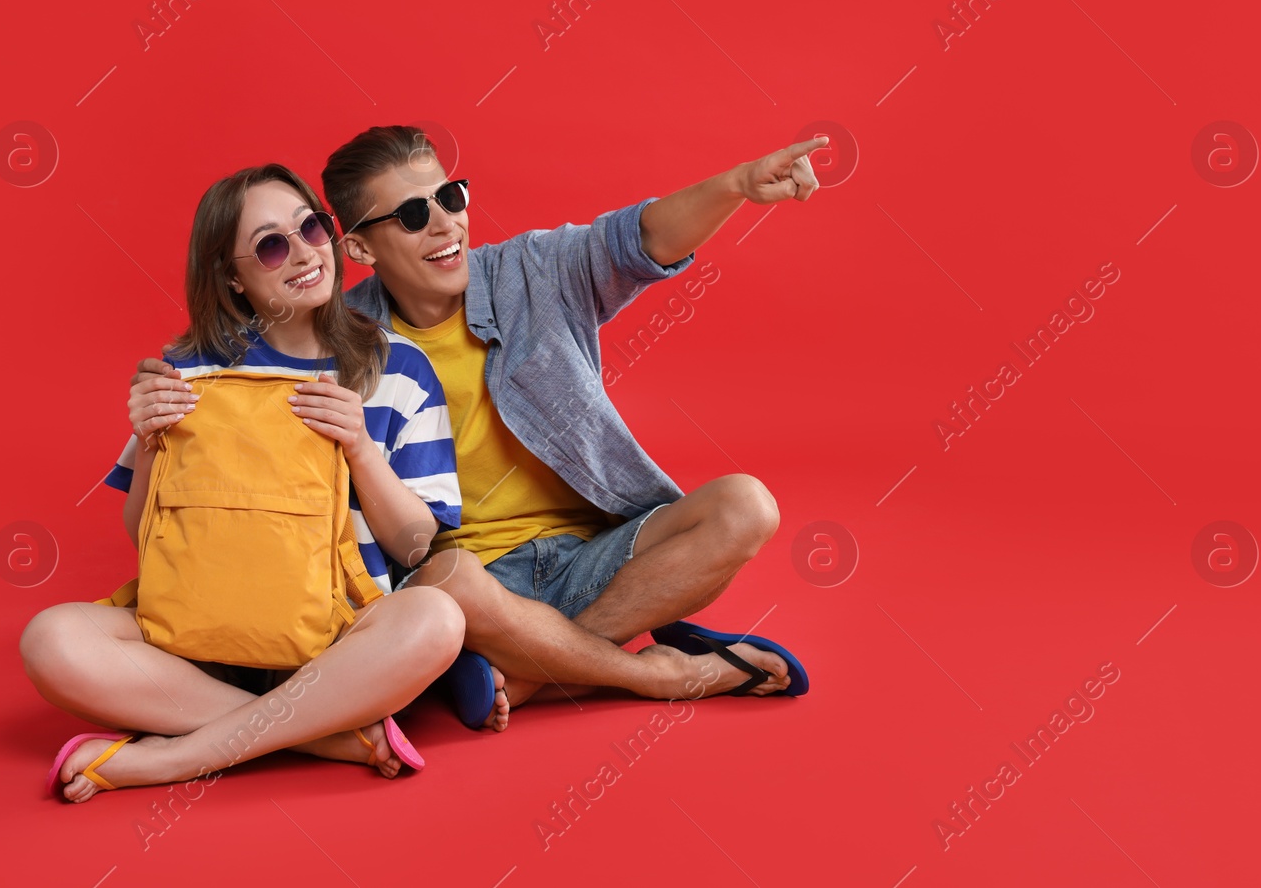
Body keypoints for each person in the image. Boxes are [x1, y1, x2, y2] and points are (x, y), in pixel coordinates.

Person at [130, 128, 822, 729]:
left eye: (450, 198)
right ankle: (653, 672)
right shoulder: (345, 343)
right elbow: (254, 372)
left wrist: (736, 185)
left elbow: (639, 238)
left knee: (745, 506)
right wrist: (166, 403)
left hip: (599, 555)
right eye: (410, 214)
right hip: (467, 587)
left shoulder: (533, 272)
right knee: (450, 583)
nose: (445, 226)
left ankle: (541, 675)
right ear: (360, 248)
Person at [21, 163, 469, 802]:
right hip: (202, 636)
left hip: (338, 641)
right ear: (231, 275)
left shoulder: (397, 367)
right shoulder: (189, 371)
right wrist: (150, 443)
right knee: (51, 639)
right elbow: (142, 537)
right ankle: (323, 735)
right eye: (271, 245)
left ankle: (177, 758)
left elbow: (418, 544)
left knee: (435, 616)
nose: (304, 253)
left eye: (311, 228)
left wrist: (361, 449)